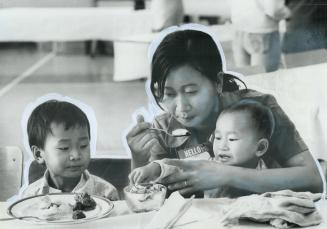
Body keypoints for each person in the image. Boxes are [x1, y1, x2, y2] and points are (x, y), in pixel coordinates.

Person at [126, 24, 323, 196]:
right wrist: (139, 160)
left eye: (191, 91)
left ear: (218, 82)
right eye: (169, 94)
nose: (180, 107)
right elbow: (152, 197)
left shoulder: (259, 109)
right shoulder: (163, 129)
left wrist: (226, 175)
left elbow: (313, 179)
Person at [129, 100, 275, 198]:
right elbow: (179, 166)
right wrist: (153, 168)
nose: (222, 146)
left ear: (260, 147)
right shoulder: (209, 164)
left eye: (232, 139)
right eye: (217, 138)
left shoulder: (269, 177)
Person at [21, 99, 119, 200]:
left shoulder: (106, 194)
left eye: (83, 145)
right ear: (39, 154)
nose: (76, 155)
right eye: (64, 148)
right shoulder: (30, 197)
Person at [230, 0, 291, 72]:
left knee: (246, 78)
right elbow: (274, 9)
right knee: (265, 78)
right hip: (263, 32)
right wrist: (290, 13)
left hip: (239, 29)